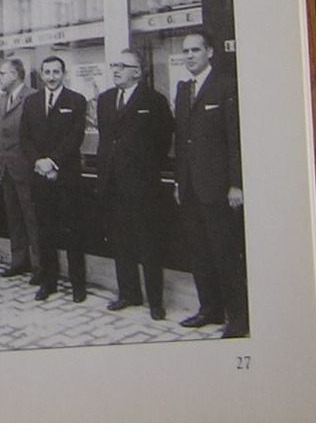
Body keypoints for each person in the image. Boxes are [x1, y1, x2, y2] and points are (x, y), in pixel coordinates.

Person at [174, 30, 247, 337]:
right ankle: (209, 309)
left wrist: (236, 184)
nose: (189, 55)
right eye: (185, 51)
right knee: (199, 252)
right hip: (190, 187)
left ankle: (239, 318)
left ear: (210, 52)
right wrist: (180, 182)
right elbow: (182, 141)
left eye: (195, 50)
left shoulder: (225, 85)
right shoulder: (183, 89)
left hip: (218, 189)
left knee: (225, 254)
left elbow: (235, 138)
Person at [97, 50, 174, 319]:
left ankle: (155, 301)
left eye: (122, 66)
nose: (116, 70)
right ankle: (128, 293)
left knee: (148, 244)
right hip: (112, 185)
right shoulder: (106, 100)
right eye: (114, 65)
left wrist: (145, 169)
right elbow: (106, 140)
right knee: (121, 242)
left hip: (142, 187)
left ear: (138, 72)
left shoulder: (153, 101)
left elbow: (164, 140)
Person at [22, 53, 89, 301]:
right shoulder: (31, 102)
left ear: (64, 74)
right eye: (47, 72)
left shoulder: (77, 100)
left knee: (73, 232)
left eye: (56, 72)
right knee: (45, 231)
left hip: (67, 177)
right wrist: (38, 162)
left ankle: (78, 285)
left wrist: (53, 161)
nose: (51, 77)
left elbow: (75, 136)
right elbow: (24, 137)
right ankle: (48, 282)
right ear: (41, 75)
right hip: (40, 177)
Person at [0, 56, 39, 281]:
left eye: (2, 73)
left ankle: (39, 266)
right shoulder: (1, 100)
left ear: (15, 75)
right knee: (14, 218)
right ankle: (19, 261)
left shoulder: (33, 98)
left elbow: (36, 138)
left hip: (27, 169)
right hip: (7, 169)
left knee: (32, 218)